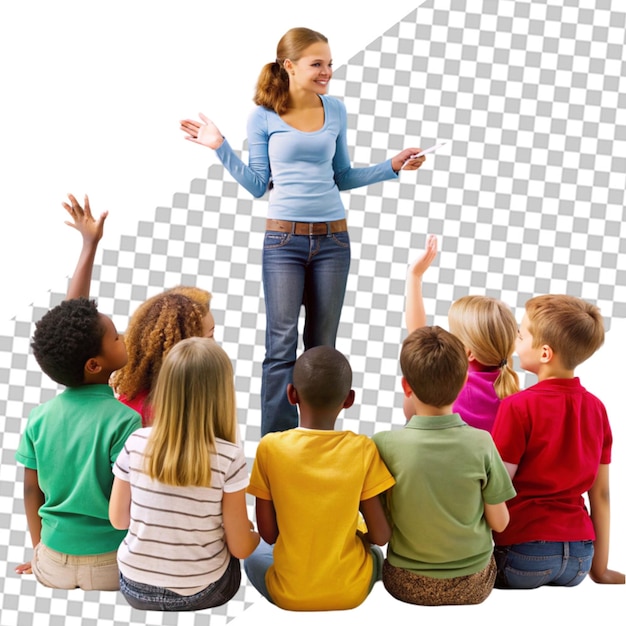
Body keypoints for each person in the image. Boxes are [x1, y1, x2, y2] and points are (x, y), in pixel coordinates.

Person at [180, 27, 427, 434]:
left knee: (321, 349)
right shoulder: (262, 116)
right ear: (289, 66)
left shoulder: (336, 110)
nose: (327, 71)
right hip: (283, 242)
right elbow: (259, 184)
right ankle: (276, 446)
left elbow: (342, 175)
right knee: (281, 348)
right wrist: (220, 146)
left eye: (329, 63)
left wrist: (393, 166)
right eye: (317, 64)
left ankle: (316, 440)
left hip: (333, 240)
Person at [14, 199, 142, 588]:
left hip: (51, 562)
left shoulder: (39, 417)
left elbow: (31, 490)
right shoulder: (126, 419)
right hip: (111, 564)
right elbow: (133, 504)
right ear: (94, 365)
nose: (123, 337)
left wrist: (40, 551)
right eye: (117, 336)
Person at [109, 337, 260, 611]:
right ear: (223, 393)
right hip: (203, 592)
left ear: (165, 388)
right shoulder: (229, 456)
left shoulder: (136, 442)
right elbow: (240, 548)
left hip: (134, 588)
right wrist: (253, 536)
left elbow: (118, 520)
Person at [243, 346, 396, 610]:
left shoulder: (270, 447)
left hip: (289, 594)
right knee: (375, 554)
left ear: (292, 394)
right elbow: (381, 536)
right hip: (352, 593)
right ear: (349, 399)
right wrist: (359, 537)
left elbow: (269, 534)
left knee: (253, 555)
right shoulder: (362, 448)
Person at [372, 326, 516, 605]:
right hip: (474, 585)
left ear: (406, 386)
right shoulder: (482, 442)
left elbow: (380, 523)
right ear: (464, 381)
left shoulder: (383, 444)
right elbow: (500, 523)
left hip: (405, 584)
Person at [492, 294, 625, 588]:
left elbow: (496, 489)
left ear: (545, 353)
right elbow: (600, 495)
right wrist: (600, 570)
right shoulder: (597, 408)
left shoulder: (517, 406)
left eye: (522, 335)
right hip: (580, 559)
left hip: (523, 555)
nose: (516, 341)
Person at [60, 193, 215, 425]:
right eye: (210, 336)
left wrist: (89, 245)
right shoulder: (135, 415)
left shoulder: (199, 399)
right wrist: (89, 246)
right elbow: (73, 332)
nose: (215, 345)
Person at [405, 235, 519, 432]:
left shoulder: (453, 387)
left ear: (468, 352)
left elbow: (417, 339)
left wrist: (414, 276)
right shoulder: (513, 392)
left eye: (453, 334)